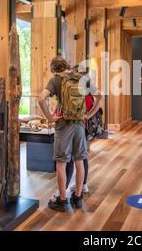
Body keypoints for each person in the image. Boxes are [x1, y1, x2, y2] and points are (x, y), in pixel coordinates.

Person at [38, 57, 101, 212]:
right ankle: (78, 198)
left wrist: (50, 118)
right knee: (80, 161)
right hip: (79, 124)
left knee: (61, 163)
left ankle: (62, 200)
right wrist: (88, 115)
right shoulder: (81, 77)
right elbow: (99, 96)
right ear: (65, 65)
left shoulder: (56, 80)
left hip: (63, 124)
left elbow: (41, 99)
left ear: (54, 69)